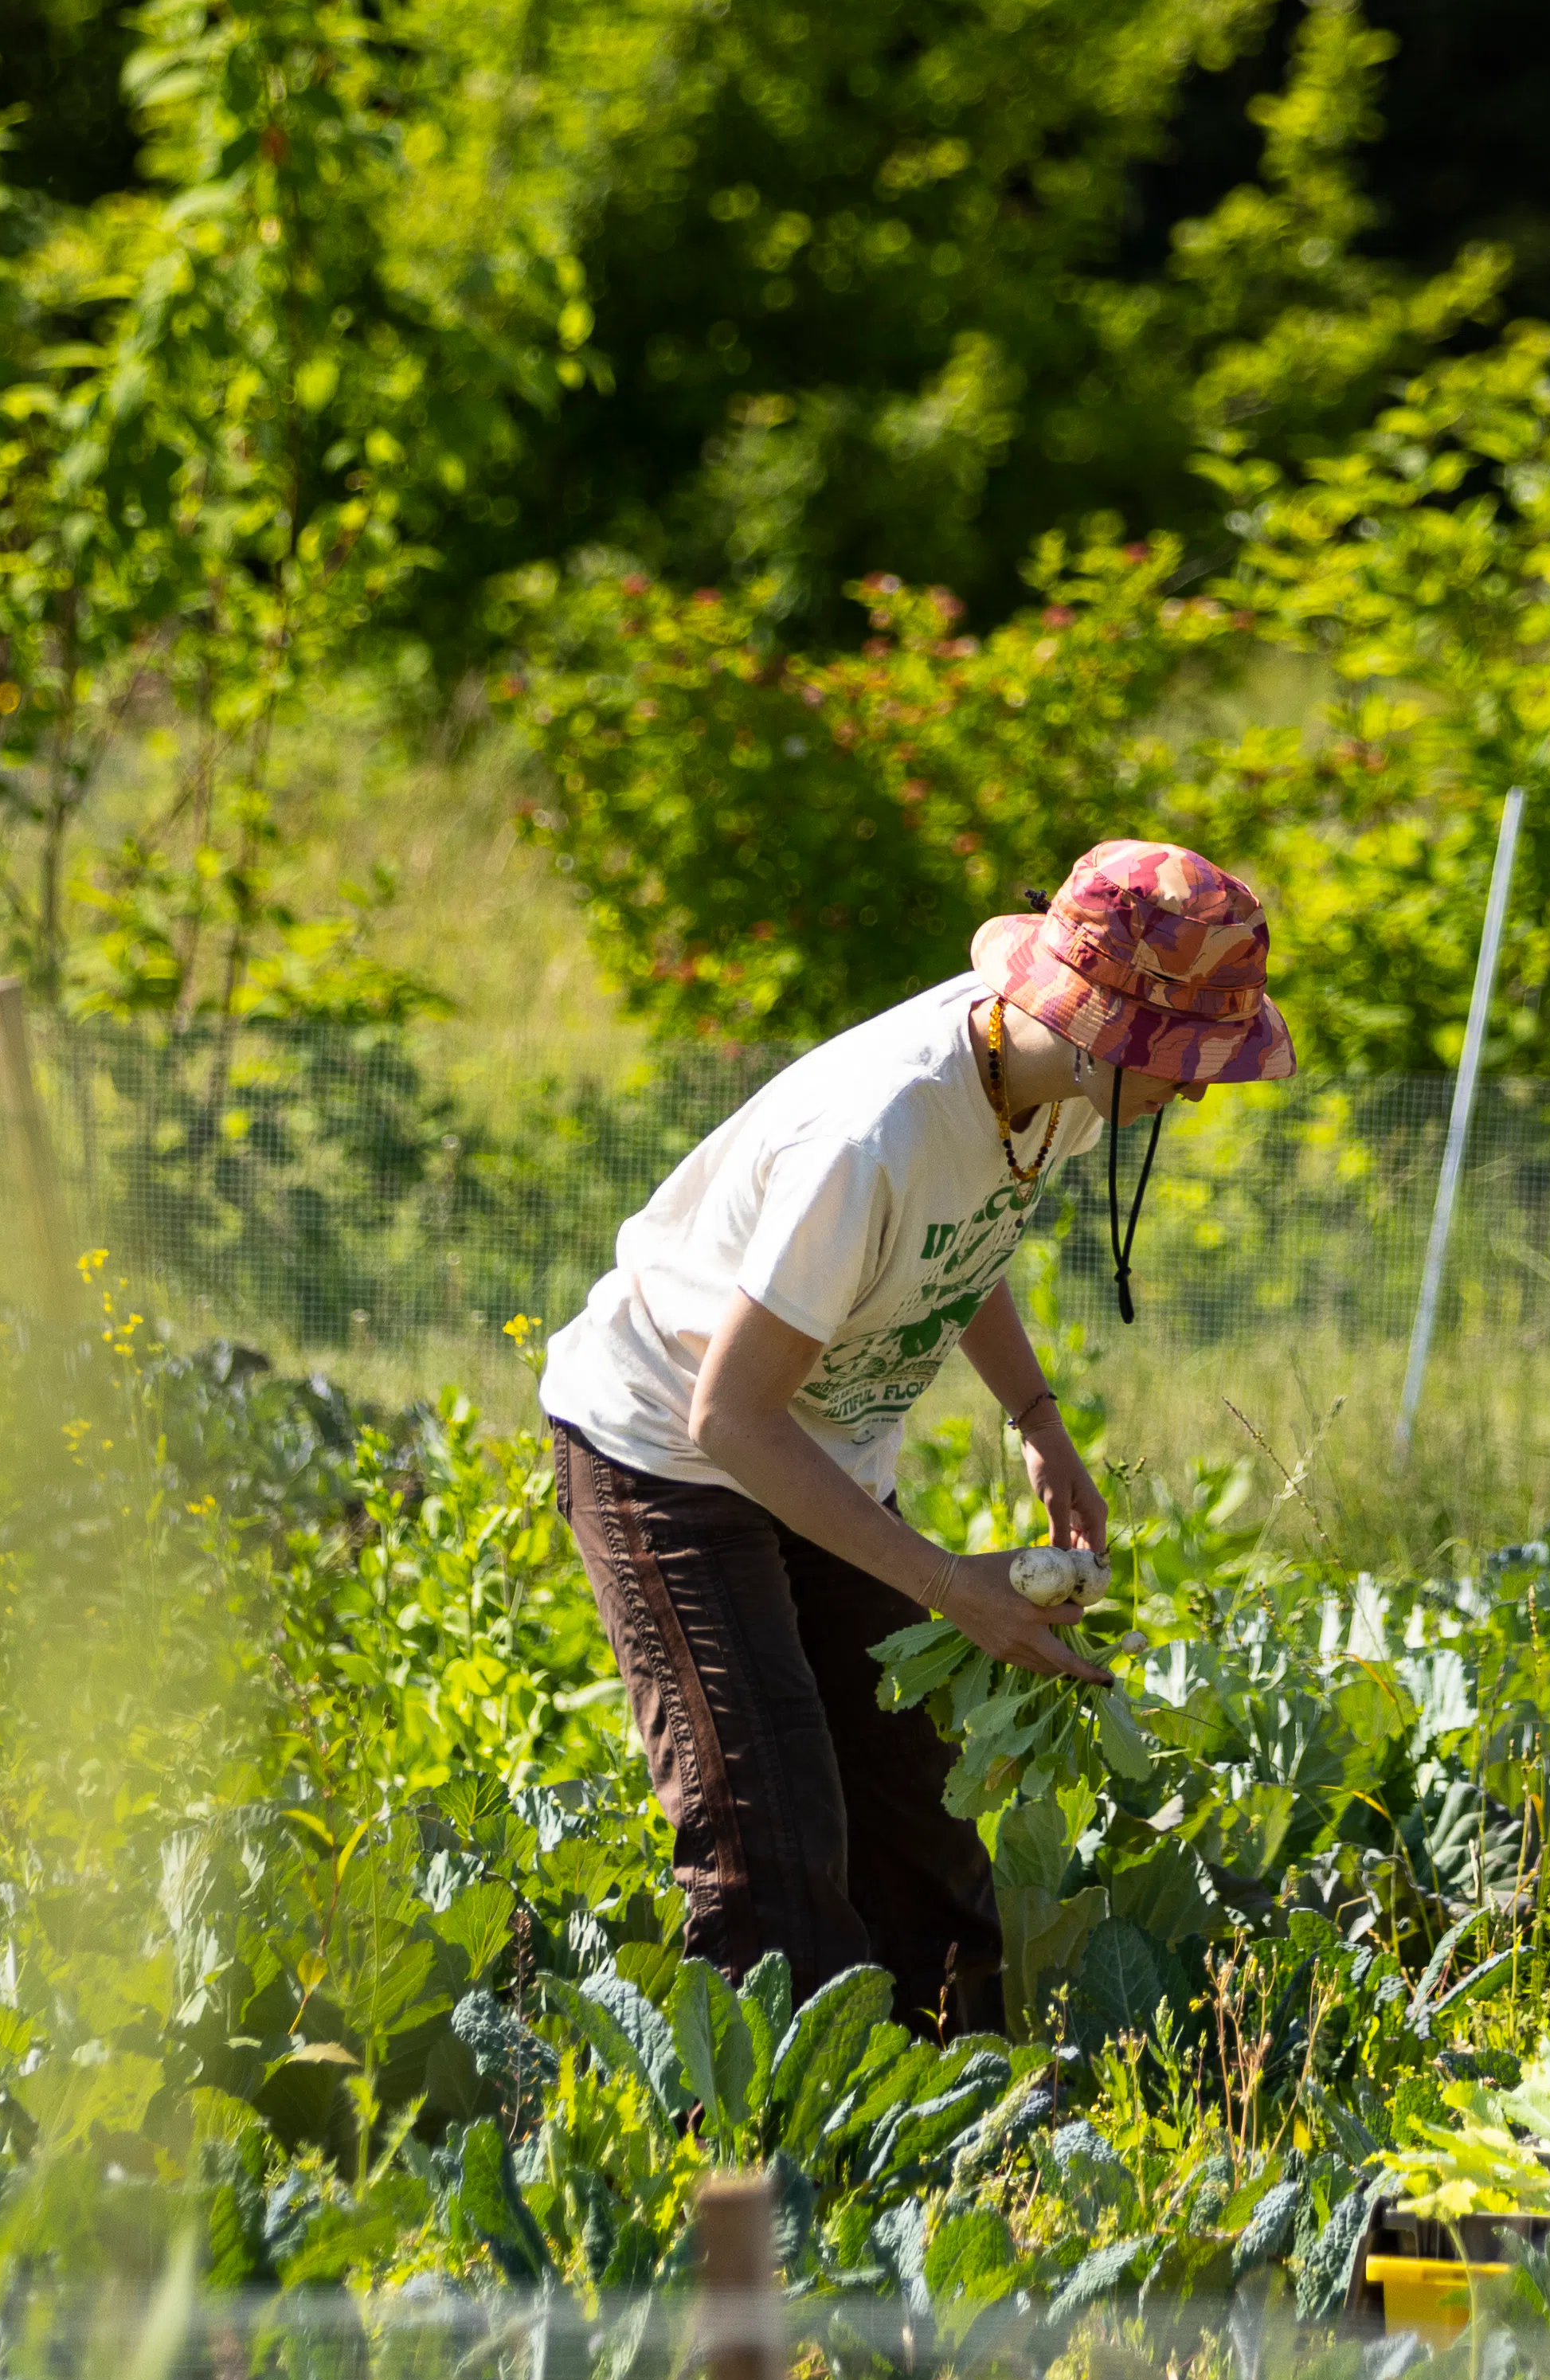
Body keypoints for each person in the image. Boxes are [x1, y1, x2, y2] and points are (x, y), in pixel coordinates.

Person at [538, 839, 1292, 2033]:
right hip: (673, 1454)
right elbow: (729, 1418)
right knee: (770, 1837)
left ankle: (959, 2125)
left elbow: (967, 1234)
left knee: (910, 1808)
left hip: (817, 1448)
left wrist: (1039, 1422)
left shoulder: (1056, 1089)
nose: (1194, 1092)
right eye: (1183, 1062)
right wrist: (953, 1587)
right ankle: (775, 2165)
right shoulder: (875, 1133)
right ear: (1104, 1031)